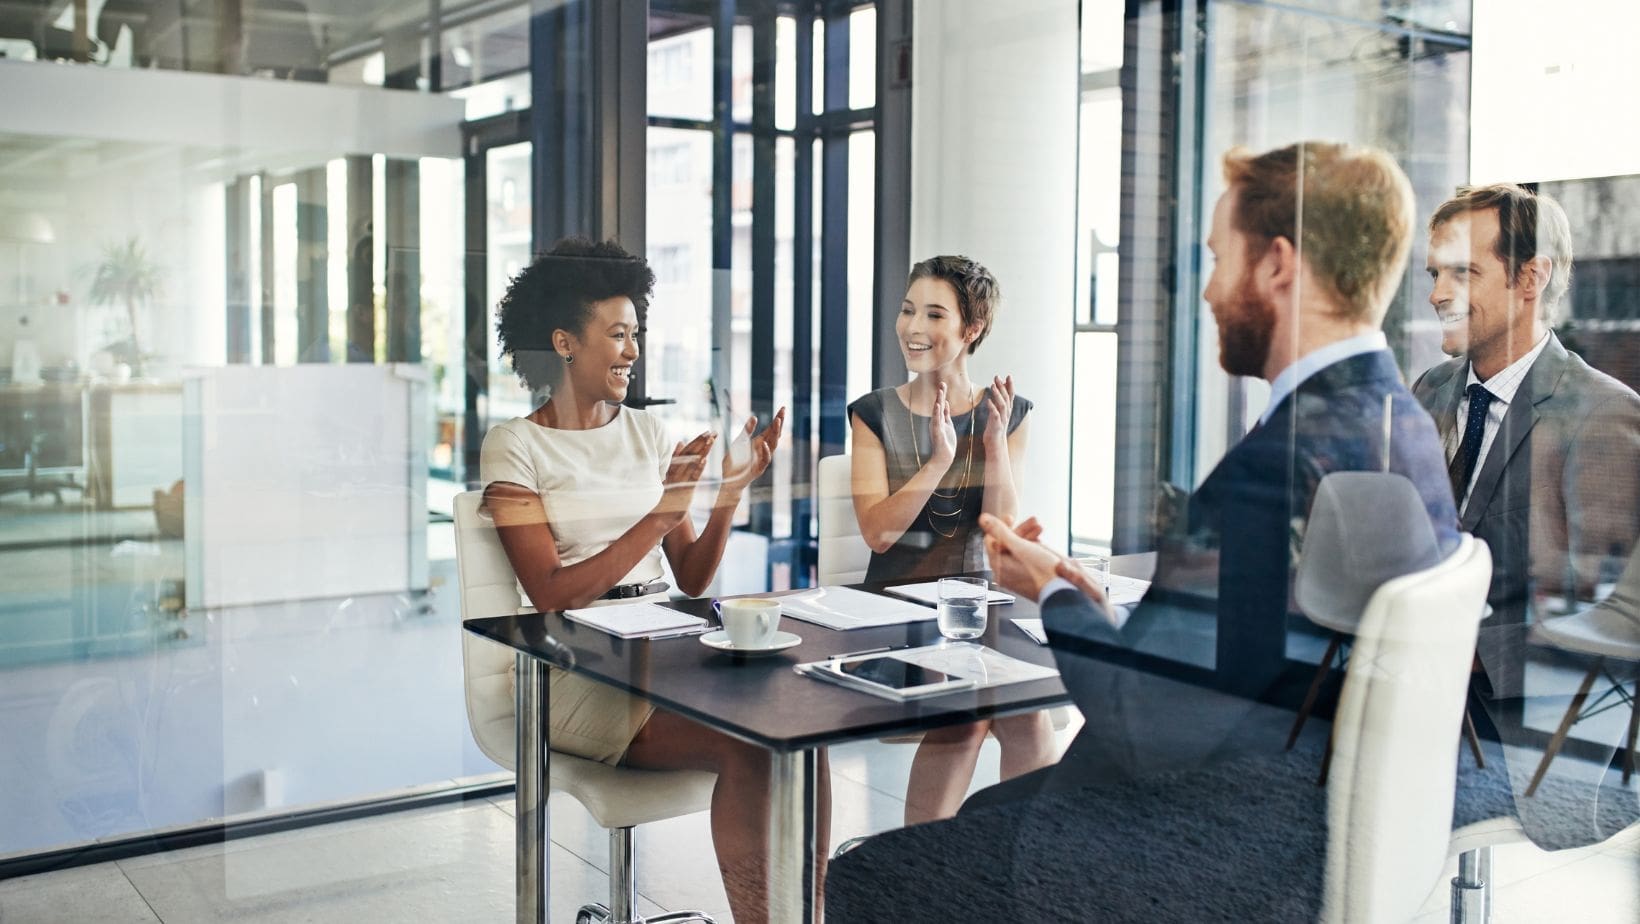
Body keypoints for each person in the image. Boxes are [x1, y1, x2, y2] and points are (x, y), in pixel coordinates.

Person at [827, 141, 1461, 920]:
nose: (1206, 289)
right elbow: (1255, 655)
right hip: (1303, 827)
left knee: (869, 876)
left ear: (1277, 267)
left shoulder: (1274, 466)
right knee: (970, 826)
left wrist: (1056, 592)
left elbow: (1140, 723)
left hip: (1204, 848)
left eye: (1217, 258)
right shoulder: (1404, 426)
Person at [480, 237, 811, 923]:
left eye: (636, 334)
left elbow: (690, 574)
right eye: (617, 334)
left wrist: (725, 495)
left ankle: (809, 916)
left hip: (659, 645)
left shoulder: (650, 433)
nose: (632, 350)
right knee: (750, 747)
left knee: (800, 735)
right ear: (565, 341)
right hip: (571, 664)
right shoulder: (515, 445)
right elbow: (550, 592)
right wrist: (662, 513)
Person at [1414, 184, 1640, 845]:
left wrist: (1459, 650)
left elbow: (1612, 625)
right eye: (1435, 274)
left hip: (1521, 740)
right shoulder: (1431, 391)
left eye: (1463, 272)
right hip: (1416, 708)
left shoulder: (1602, 417)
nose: (1435, 294)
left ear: (1530, 279)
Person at [846, 255, 1054, 825]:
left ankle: (1027, 869)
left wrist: (990, 443)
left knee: (1029, 712)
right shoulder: (873, 414)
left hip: (977, 610)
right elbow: (879, 533)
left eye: (934, 314)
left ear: (971, 329)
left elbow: (999, 538)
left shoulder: (1007, 413)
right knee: (969, 711)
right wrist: (939, 459)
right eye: (908, 310)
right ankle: (920, 873)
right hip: (897, 616)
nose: (913, 327)